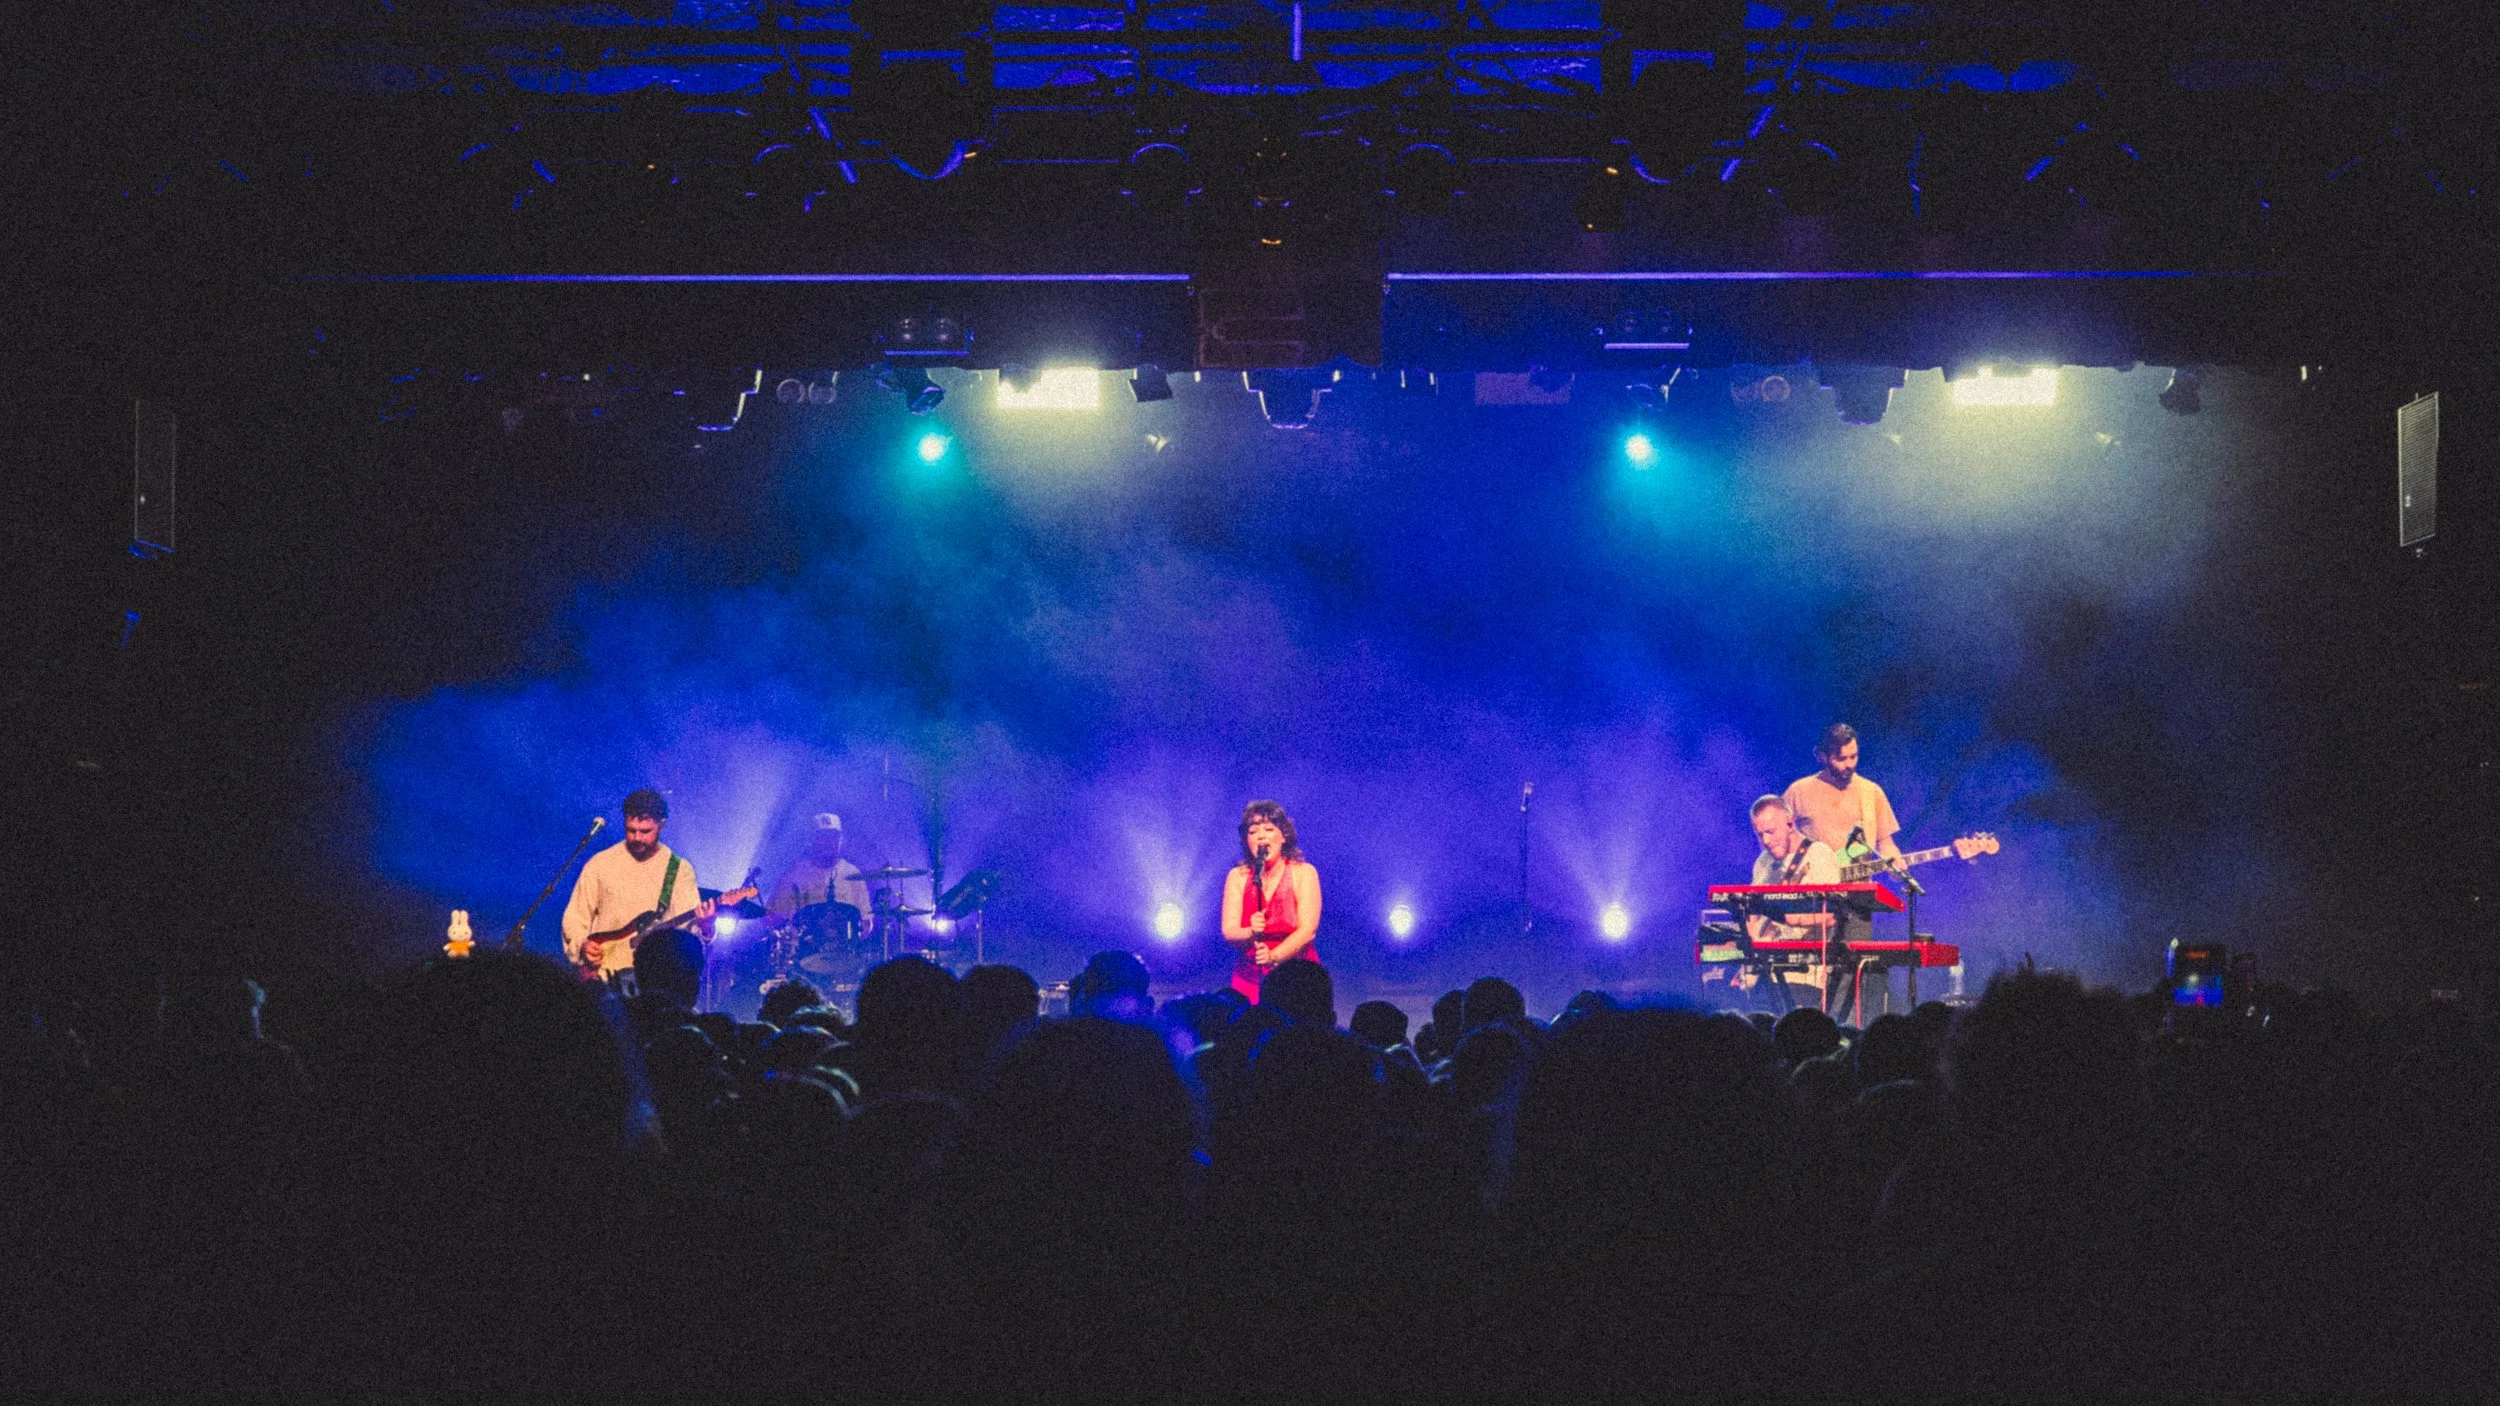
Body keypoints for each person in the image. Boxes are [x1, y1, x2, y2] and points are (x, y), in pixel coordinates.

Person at [561, 789, 714, 981]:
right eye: (631, 830)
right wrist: (582, 944)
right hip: (602, 978)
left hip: (652, 980)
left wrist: (706, 928)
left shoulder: (678, 870)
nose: (637, 838)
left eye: (645, 831)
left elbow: (685, 934)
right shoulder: (600, 863)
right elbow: (575, 916)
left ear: (662, 825)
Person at [1746, 795, 1842, 1012]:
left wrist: (1786, 917)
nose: (1766, 841)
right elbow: (1753, 912)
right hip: (1765, 971)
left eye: (1770, 832)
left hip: (1804, 973)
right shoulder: (1763, 862)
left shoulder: (1818, 855)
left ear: (1790, 823)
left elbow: (1830, 915)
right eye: (1760, 835)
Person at [1220, 800, 1322, 1004]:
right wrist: (1250, 931)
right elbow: (1229, 931)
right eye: (1253, 831)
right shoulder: (1238, 876)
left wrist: (1273, 957)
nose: (1261, 835)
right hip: (1250, 977)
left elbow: (1308, 929)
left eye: (1268, 829)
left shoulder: (1304, 872)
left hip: (1297, 974)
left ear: (1284, 836)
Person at [1780, 723, 1901, 867]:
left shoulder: (1871, 791)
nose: (1849, 764)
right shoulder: (1798, 791)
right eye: (1841, 759)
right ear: (1822, 756)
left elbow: (1886, 844)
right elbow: (1776, 841)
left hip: (1859, 886)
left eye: (1853, 757)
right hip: (1812, 884)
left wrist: (1895, 864)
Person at [767, 812, 869, 923]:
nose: (829, 842)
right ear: (812, 840)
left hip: (842, 939)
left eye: (834, 837)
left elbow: (865, 921)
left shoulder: (852, 873)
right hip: (802, 940)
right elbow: (771, 916)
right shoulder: (794, 874)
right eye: (823, 837)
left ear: (841, 840)